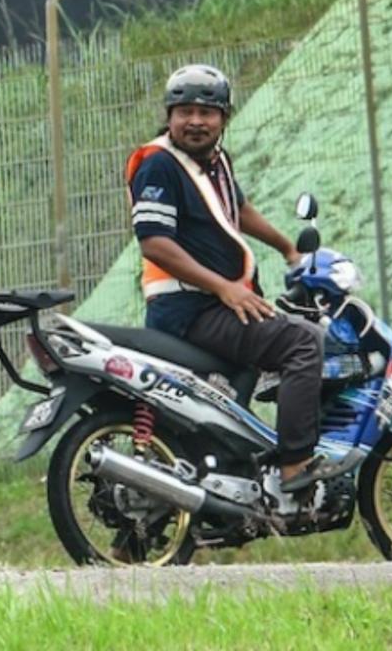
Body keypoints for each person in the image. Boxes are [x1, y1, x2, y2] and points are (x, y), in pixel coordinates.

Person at [125, 64, 332, 492]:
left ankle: (232, 480)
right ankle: (296, 463)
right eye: (185, 111)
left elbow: (238, 208)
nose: (196, 121)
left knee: (247, 379)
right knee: (303, 341)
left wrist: (288, 249)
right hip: (188, 309)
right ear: (169, 116)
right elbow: (154, 244)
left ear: (224, 118)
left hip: (213, 303)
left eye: (208, 112)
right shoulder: (160, 166)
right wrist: (224, 287)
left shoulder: (212, 161)